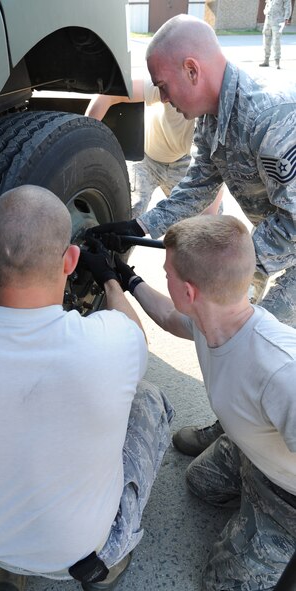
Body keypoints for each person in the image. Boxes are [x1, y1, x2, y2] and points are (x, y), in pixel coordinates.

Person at [0, 185, 174, 591]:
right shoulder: (112, 344)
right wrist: (111, 280)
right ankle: (108, 564)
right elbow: (135, 334)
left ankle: (13, 569)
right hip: (80, 549)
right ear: (70, 260)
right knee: (149, 398)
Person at [89, 14, 296, 456]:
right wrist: (140, 226)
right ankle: (241, 426)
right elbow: (198, 185)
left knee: (250, 336)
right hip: (272, 237)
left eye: (163, 86)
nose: (161, 99)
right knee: (227, 323)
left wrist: (229, 271)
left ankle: (245, 441)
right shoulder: (212, 117)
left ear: (192, 69)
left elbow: (295, 222)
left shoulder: (268, 117)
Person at [115, 214, 296, 591]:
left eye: (166, 273)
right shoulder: (213, 317)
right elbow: (167, 316)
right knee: (201, 484)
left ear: (190, 292)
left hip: (288, 495)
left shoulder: (281, 373)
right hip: (254, 447)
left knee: (223, 585)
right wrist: (125, 278)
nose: (163, 277)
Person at [85, 77, 224, 218]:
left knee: (209, 218)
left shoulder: (211, 130)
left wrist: (208, 215)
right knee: (128, 213)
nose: (164, 99)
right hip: (145, 158)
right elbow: (107, 95)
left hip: (183, 162)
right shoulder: (169, 87)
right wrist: (84, 139)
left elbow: (214, 173)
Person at [259, 0, 292, 69]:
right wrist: (265, 11)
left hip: (278, 20)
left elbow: (288, 6)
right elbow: (267, 3)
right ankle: (266, 60)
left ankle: (277, 62)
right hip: (268, 19)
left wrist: (286, 18)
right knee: (266, 40)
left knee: (276, 41)